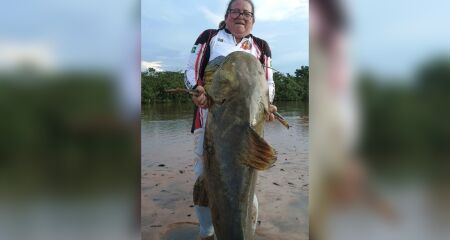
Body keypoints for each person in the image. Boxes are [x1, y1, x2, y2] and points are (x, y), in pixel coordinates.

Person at [184, 0, 277, 239]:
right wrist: (197, 90)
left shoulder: (261, 46)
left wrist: (268, 103)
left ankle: (245, 232)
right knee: (205, 177)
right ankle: (206, 232)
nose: (241, 16)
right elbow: (191, 71)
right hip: (209, 117)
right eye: (235, 11)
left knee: (245, 182)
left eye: (246, 13)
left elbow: (268, 84)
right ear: (226, 16)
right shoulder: (210, 37)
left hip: (249, 124)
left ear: (253, 20)